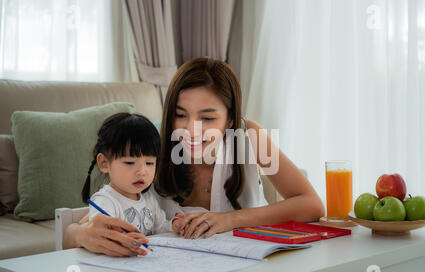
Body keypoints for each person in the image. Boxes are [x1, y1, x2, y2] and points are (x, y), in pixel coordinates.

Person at [63, 57, 325, 256]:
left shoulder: (250, 137)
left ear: (230, 118)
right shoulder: (153, 151)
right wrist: (80, 235)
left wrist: (228, 220)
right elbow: (76, 230)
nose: (190, 130)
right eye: (180, 114)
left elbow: (311, 204)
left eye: (207, 118)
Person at [78, 113, 175, 256]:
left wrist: (175, 225)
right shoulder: (105, 200)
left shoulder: (148, 199)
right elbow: (101, 236)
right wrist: (121, 240)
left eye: (149, 163)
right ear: (104, 163)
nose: (142, 172)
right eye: (130, 163)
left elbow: (162, 228)